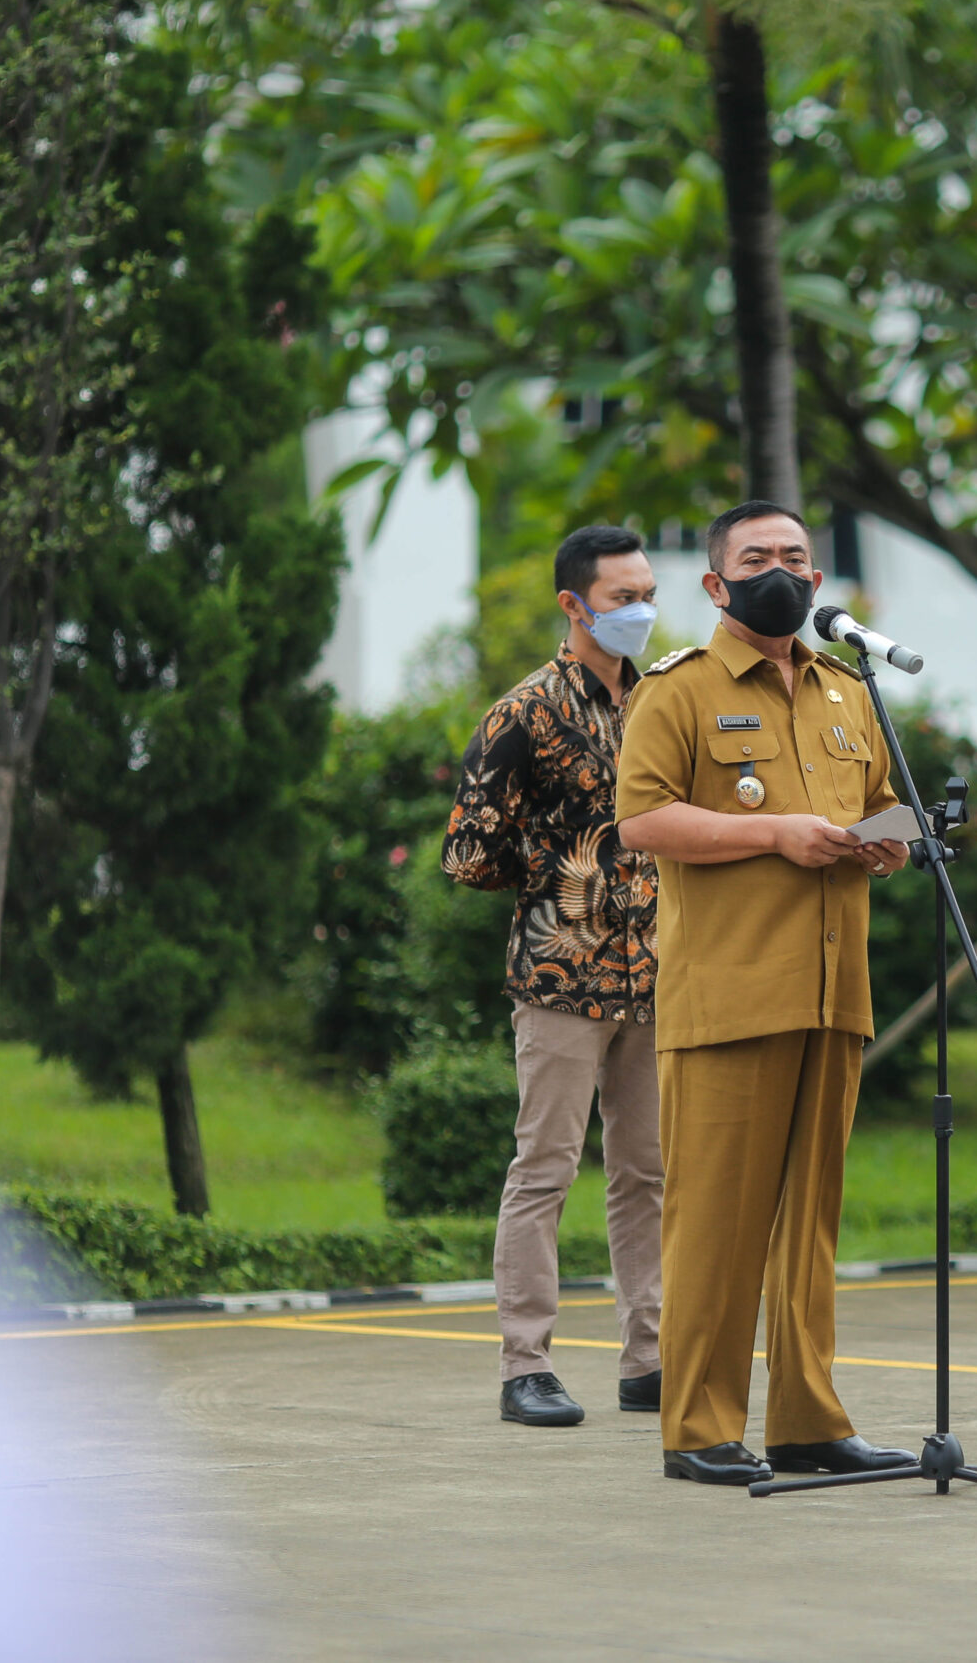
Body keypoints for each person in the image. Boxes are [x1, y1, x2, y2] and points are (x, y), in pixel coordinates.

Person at [614, 500, 917, 1488]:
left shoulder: (847, 690)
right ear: (716, 583)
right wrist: (775, 833)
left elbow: (878, 805)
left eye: (794, 556)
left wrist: (885, 844)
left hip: (833, 990)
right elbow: (643, 822)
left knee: (809, 1225)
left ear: (817, 580)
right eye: (756, 558)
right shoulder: (680, 690)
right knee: (716, 1221)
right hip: (732, 993)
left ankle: (806, 1422)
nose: (779, 571)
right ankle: (698, 1428)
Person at [442, 524, 666, 1427]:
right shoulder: (524, 712)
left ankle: (649, 1359)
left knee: (648, 1172)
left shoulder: (665, 699)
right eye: (622, 598)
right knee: (545, 1168)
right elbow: (467, 851)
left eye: (647, 594)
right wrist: (554, 888)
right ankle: (525, 1365)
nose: (640, 611)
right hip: (562, 977)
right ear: (574, 605)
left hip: (657, 974)